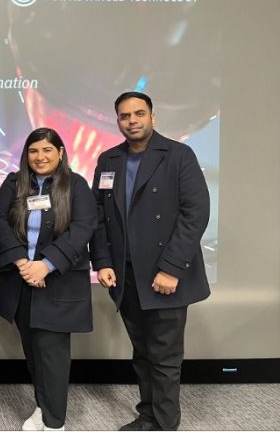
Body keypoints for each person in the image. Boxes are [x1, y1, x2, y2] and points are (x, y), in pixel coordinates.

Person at [90, 92, 211, 431]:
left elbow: (195, 214)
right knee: (143, 353)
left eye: (139, 113)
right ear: (118, 121)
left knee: (164, 357)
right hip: (125, 274)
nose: (132, 121)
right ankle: (148, 416)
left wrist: (171, 268)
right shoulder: (109, 159)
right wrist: (102, 261)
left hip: (164, 275)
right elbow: (98, 216)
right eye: (125, 116)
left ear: (152, 117)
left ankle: (165, 424)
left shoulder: (178, 155)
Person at [0, 127, 97, 431]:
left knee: (52, 356)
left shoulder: (76, 185)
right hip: (21, 280)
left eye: (47, 150)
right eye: (33, 151)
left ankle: (55, 423)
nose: (40, 156)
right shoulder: (14, 183)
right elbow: (0, 220)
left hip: (58, 281)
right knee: (33, 352)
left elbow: (83, 227)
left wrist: (46, 265)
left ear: (60, 152)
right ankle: (43, 407)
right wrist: (24, 263)